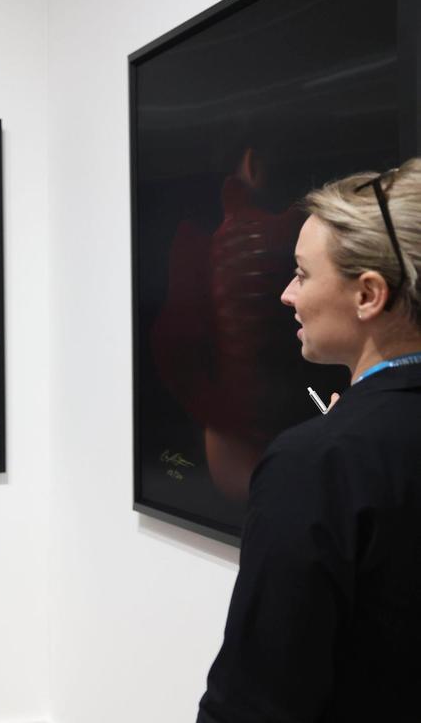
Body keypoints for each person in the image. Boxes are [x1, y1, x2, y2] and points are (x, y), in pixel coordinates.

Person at [198, 159, 421, 721]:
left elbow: (255, 701)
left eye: (301, 273)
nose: (285, 294)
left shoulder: (318, 463)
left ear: (369, 294)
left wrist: (339, 445)